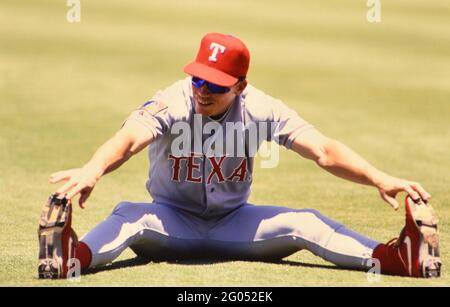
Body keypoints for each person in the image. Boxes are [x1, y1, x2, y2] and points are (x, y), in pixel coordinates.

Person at [38, 32, 441, 280]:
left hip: (236, 224)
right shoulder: (170, 102)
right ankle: (72, 258)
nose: (202, 89)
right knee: (127, 215)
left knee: (306, 221)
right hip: (169, 223)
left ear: (241, 85)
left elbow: (323, 150)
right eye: (197, 77)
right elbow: (127, 140)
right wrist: (94, 169)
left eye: (215, 83)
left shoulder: (263, 108)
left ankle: (398, 259)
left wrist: (378, 177)